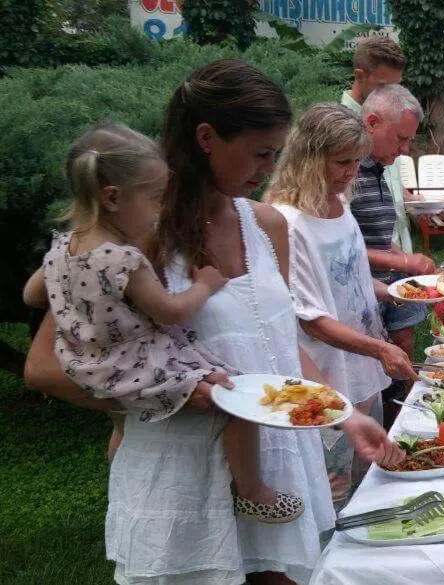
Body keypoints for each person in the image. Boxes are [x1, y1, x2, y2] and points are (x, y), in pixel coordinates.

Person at [23, 59, 404, 585]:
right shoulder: (131, 241)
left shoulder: (266, 225)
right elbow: (44, 368)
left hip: (273, 469)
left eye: (275, 153)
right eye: (260, 153)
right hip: (184, 476)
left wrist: (339, 414)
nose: (269, 169)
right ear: (206, 137)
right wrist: (176, 396)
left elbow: (273, 348)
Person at [22, 122, 305, 523]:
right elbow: (170, 312)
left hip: (85, 361)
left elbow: (32, 296)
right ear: (113, 197)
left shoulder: (60, 250)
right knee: (234, 397)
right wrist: (205, 284)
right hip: (134, 360)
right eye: (155, 198)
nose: (160, 209)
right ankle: (251, 492)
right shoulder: (125, 259)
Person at [264, 103, 417, 507]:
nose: (352, 172)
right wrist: (381, 347)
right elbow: (309, 318)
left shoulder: (339, 204)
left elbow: (348, 276)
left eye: (356, 161)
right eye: (342, 162)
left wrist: (395, 291)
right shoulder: (289, 223)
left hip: (363, 366)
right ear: (308, 158)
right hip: (326, 373)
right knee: (333, 489)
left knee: (370, 479)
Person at [352, 84, 435, 426]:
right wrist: (402, 262)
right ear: (371, 122)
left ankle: (400, 427)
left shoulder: (377, 168)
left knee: (401, 358)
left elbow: (376, 235)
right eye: (401, 139)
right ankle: (382, 432)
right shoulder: (347, 172)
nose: (405, 149)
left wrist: (402, 256)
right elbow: (345, 248)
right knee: (375, 370)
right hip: (363, 289)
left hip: (392, 285)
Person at [340, 35, 415, 257]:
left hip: (396, 248)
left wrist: (406, 198)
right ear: (360, 76)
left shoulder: (390, 119)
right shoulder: (338, 128)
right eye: (384, 87)